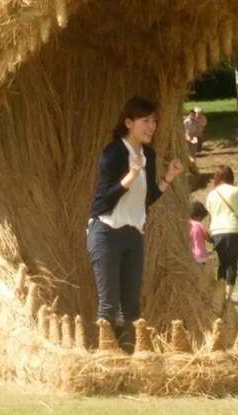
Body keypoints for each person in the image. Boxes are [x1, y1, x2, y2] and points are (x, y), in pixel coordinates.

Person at [87, 96, 184, 348]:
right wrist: (130, 175)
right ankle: (106, 357)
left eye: (154, 120)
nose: (151, 126)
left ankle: (129, 355)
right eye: (145, 120)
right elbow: (102, 202)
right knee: (109, 304)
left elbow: (146, 199)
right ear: (129, 122)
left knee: (130, 304)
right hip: (106, 231)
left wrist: (169, 178)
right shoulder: (113, 153)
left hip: (133, 234)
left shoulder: (148, 155)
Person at [206, 165, 238, 300]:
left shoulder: (211, 194)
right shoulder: (236, 190)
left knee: (222, 262)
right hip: (232, 229)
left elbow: (210, 214)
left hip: (216, 231)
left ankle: (220, 293)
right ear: (231, 176)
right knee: (231, 263)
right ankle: (228, 294)